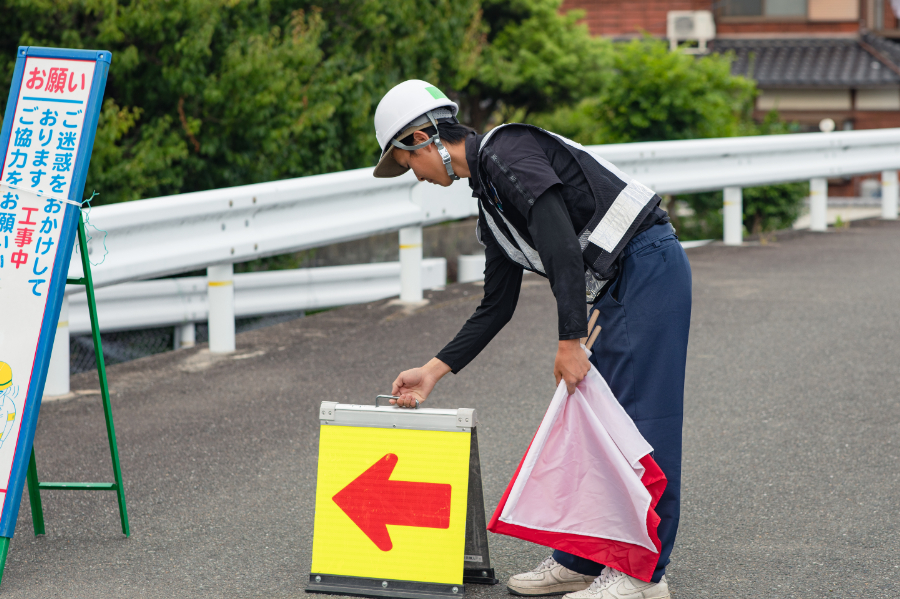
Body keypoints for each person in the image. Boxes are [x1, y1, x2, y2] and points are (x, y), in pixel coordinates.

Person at [373, 80, 691, 599]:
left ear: (420, 137)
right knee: (596, 424)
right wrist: (433, 371)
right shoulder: (491, 203)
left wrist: (569, 341)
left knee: (642, 423)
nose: (415, 173)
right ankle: (584, 560)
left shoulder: (508, 150)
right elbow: (496, 306)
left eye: (407, 161)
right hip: (616, 283)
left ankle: (642, 576)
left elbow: (561, 243)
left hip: (648, 267)